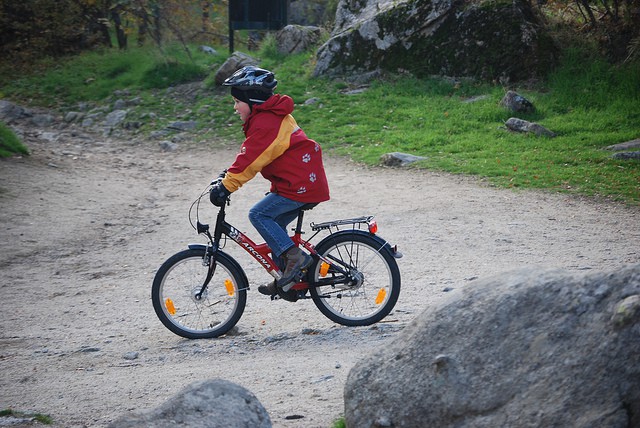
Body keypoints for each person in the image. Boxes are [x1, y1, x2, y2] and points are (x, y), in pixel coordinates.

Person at [209, 66, 330, 296]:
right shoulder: (269, 117)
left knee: (259, 214)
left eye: (237, 101)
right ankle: (290, 280)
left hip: (299, 185)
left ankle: (295, 258)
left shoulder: (267, 123)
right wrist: (228, 175)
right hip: (300, 182)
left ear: (252, 100)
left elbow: (251, 159)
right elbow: (251, 156)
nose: (235, 108)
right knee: (275, 223)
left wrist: (227, 186)